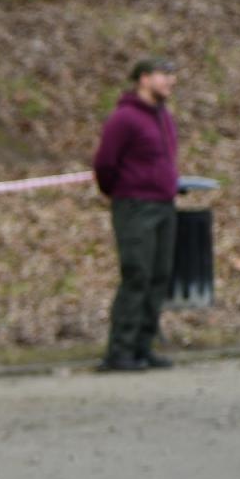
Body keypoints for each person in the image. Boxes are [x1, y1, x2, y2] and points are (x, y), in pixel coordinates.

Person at [93, 57, 180, 371]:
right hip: (135, 206)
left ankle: (144, 346)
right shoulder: (124, 119)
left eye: (172, 76)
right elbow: (104, 164)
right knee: (137, 275)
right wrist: (123, 191)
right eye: (164, 75)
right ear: (144, 79)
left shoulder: (164, 117)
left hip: (164, 204)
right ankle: (120, 350)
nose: (170, 82)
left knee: (159, 276)